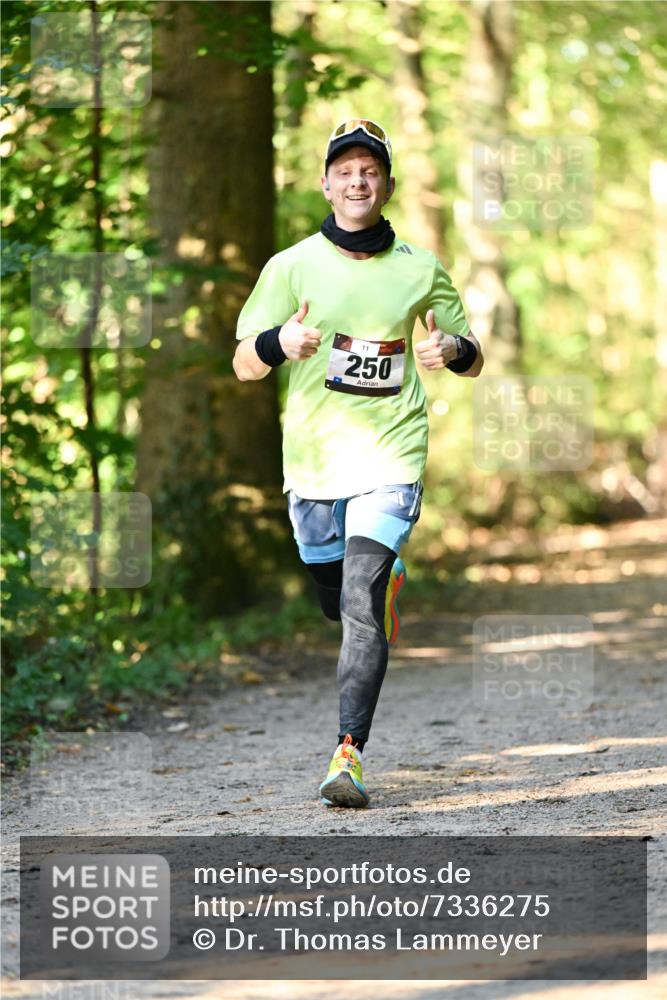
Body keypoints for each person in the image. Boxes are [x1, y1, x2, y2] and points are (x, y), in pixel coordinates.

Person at [233, 118, 483, 808]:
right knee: (329, 595)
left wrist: (452, 352)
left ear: (386, 184)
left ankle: (348, 754)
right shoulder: (290, 266)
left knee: (359, 603)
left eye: (369, 170)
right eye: (344, 170)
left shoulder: (418, 266)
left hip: (391, 453)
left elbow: (467, 351)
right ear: (325, 182)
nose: (356, 180)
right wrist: (278, 341)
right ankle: (359, 589)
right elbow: (243, 365)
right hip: (312, 461)